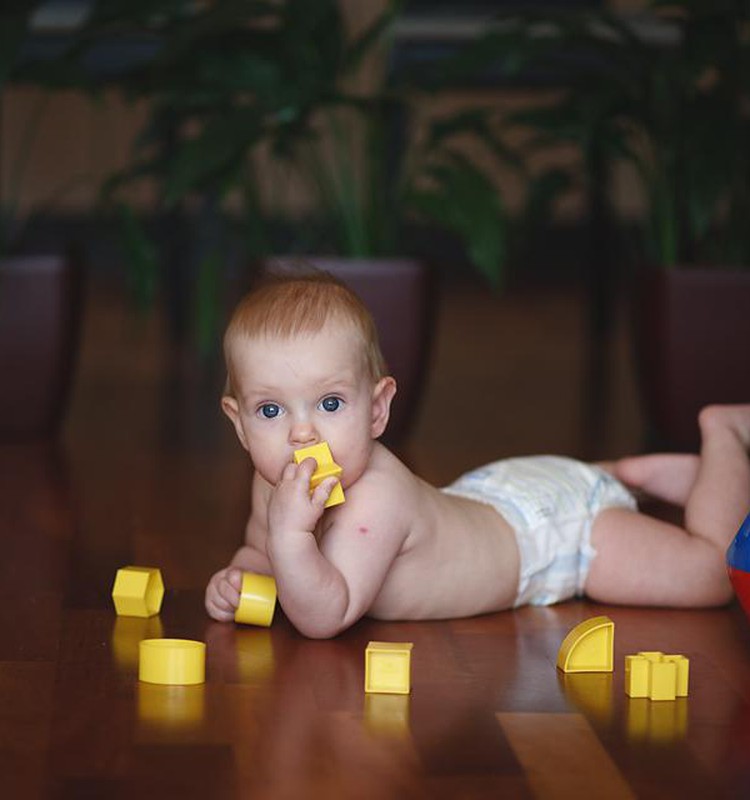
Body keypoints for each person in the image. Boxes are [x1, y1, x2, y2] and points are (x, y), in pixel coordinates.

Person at [205, 271, 750, 638]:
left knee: (707, 576)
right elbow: (263, 553)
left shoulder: (376, 498)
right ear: (240, 423)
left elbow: (327, 613)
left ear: (376, 410)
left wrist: (291, 536)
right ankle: (634, 475)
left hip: (555, 533)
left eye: (329, 402)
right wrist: (241, 577)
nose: (302, 435)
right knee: (600, 488)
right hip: (496, 493)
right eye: (271, 412)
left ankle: (724, 433)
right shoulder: (274, 482)